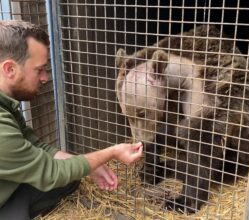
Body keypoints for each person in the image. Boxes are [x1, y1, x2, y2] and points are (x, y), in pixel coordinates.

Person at [0, 20, 143, 219]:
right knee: (62, 174)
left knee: (72, 176)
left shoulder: (7, 103)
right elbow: (52, 172)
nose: (45, 78)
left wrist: (89, 166)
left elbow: (39, 147)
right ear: (10, 69)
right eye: (39, 69)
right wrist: (112, 152)